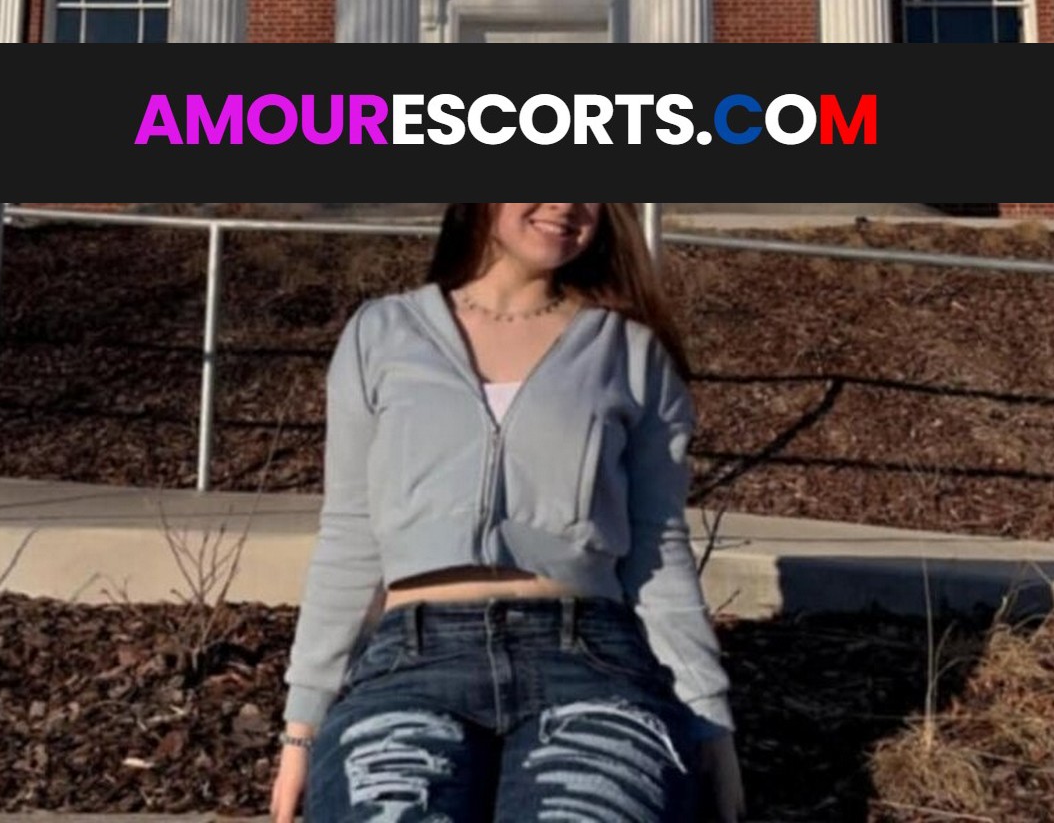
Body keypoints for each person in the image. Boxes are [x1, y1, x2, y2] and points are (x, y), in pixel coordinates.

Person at [271, 202, 743, 822]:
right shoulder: (382, 333)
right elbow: (350, 534)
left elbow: (658, 545)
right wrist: (302, 725)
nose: (567, 204)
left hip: (590, 664)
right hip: (411, 664)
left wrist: (709, 719)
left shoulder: (629, 351)